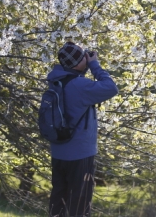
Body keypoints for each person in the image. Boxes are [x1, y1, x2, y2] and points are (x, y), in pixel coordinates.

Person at [48, 42, 118, 217]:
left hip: (58, 152)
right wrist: (95, 65)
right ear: (77, 63)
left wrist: (83, 67)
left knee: (59, 202)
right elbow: (111, 88)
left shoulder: (56, 81)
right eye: (83, 58)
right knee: (79, 206)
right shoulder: (80, 86)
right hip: (80, 153)